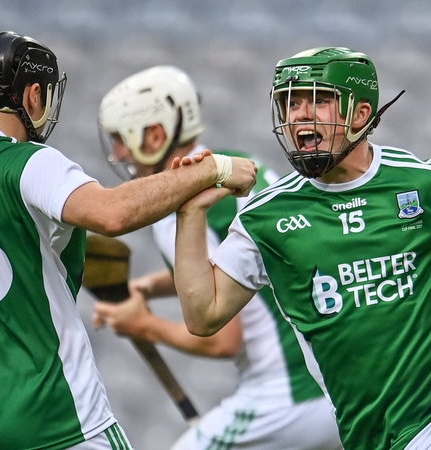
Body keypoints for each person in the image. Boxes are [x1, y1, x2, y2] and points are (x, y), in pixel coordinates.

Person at [0, 31, 256, 450]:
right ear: (31, 95)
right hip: (60, 423)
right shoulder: (26, 162)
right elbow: (112, 214)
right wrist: (212, 170)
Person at [172, 47, 431, 450]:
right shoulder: (266, 216)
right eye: (290, 102)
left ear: (360, 113)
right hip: (364, 434)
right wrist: (189, 214)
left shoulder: (425, 183)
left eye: (318, 100)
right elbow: (203, 315)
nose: (299, 114)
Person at [92, 65, 343, 450]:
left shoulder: (187, 203)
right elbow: (245, 262)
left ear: (155, 134)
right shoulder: (242, 164)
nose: (117, 152)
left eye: (119, 138)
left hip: (283, 395)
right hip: (333, 385)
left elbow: (222, 339)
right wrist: (151, 286)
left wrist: (145, 325)